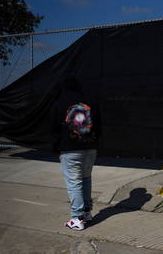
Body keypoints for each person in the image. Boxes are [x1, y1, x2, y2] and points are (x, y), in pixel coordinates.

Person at [53, 74, 101, 231]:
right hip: (90, 148)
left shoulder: (59, 103)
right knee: (86, 179)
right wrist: (94, 142)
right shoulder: (91, 102)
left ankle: (77, 218)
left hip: (70, 149)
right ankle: (87, 213)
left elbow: (52, 128)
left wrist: (56, 147)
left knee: (74, 182)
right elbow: (99, 125)